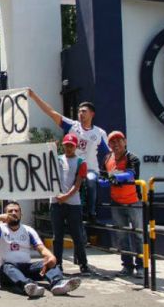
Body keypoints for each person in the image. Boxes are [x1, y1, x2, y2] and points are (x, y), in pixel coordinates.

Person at [29, 89, 109, 221]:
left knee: (89, 182)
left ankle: (91, 212)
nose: (81, 114)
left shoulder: (100, 133)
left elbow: (109, 154)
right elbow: (51, 112)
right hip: (71, 168)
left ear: (92, 114)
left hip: (89, 169)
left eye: (84, 111)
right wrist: (33, 96)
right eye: (79, 111)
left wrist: (110, 172)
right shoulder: (73, 126)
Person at [0, 201, 81, 297]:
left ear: (21, 214)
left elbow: (41, 248)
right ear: (5, 215)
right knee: (7, 266)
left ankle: (58, 284)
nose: (14, 213)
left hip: (26, 268)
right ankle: (28, 285)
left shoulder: (28, 230)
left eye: (17, 211)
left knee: (47, 263)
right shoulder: (0, 228)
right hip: (7, 272)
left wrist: (51, 257)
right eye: (10, 211)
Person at [101, 130, 143, 278]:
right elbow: (103, 177)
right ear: (109, 145)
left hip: (134, 201)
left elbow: (131, 174)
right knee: (122, 235)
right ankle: (127, 266)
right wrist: (102, 180)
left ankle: (142, 267)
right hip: (116, 202)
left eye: (119, 140)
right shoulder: (107, 158)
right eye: (113, 141)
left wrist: (115, 177)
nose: (116, 143)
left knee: (139, 235)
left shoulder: (133, 158)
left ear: (125, 142)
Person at [51, 134, 91, 275]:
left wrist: (66, 196)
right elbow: (47, 176)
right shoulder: (56, 159)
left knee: (77, 235)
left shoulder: (81, 162)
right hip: (56, 202)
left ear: (75, 146)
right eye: (66, 145)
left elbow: (78, 184)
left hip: (73, 203)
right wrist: (57, 196)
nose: (68, 148)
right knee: (57, 236)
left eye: (71, 145)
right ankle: (58, 263)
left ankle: (83, 264)